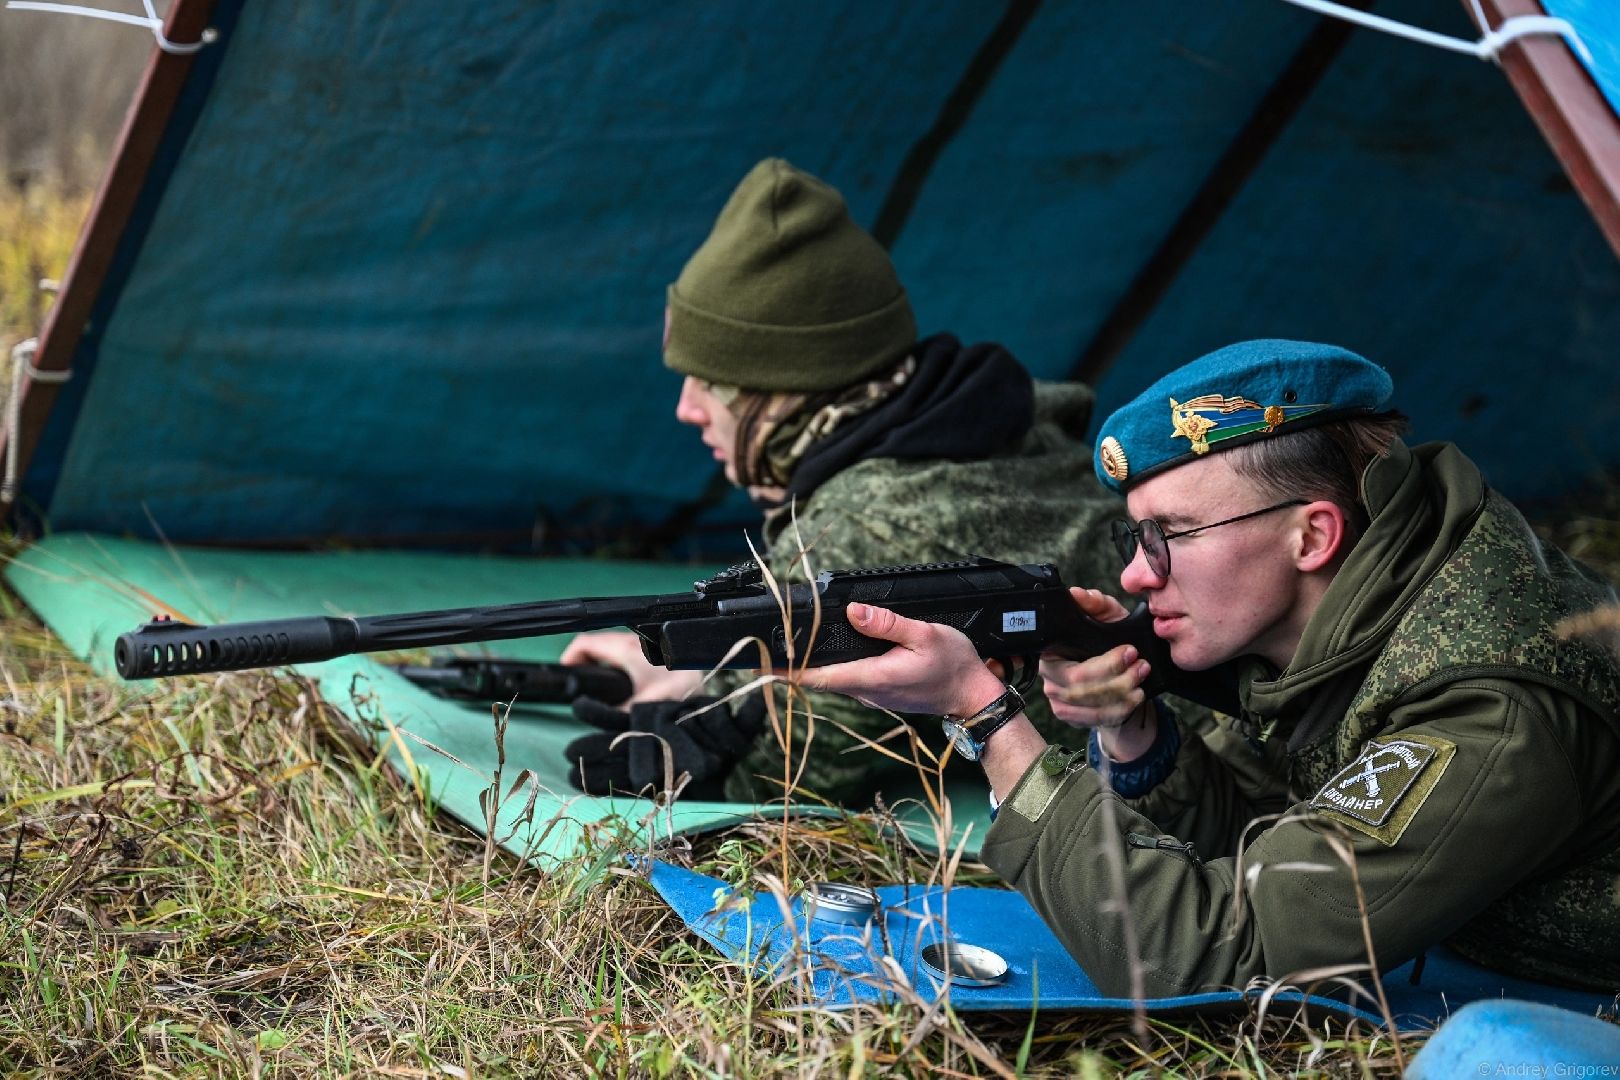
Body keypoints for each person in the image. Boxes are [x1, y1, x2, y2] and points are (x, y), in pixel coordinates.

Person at [802, 338, 1620, 995]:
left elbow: (1208, 952)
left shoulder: (1491, 705)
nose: (1135, 576)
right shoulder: (1358, 617)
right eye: (1134, 539)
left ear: (1312, 537)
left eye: (1171, 537)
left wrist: (986, 718)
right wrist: (1136, 734)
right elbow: (1276, 840)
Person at [559, 157, 1130, 805]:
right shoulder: (988, 423)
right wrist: (693, 667)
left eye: (711, 382)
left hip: (1197, 787)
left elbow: (788, 778)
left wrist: (693, 738)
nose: (686, 409)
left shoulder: (861, 520)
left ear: (792, 387)